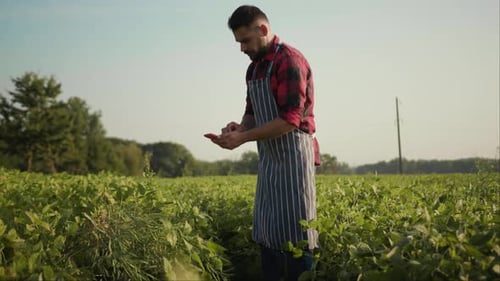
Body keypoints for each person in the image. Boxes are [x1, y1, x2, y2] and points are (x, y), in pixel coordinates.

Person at [208, 5, 320, 281]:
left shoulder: (290, 61)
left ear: (263, 29)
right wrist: (238, 129)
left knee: (298, 234)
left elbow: (290, 120)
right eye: (239, 42)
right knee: (268, 231)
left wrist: (243, 138)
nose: (242, 48)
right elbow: (252, 113)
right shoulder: (254, 69)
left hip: (294, 155)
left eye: (245, 40)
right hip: (269, 157)